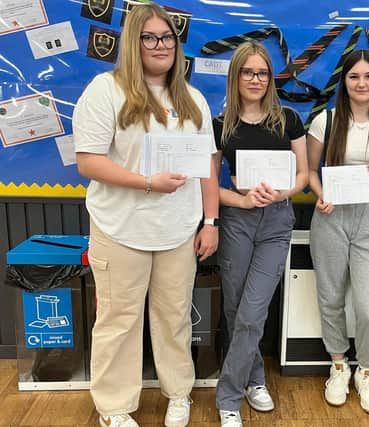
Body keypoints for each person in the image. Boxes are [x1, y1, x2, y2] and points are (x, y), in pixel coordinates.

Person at [72, 4, 219, 427]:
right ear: (132, 43)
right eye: (150, 37)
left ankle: (178, 393)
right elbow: (88, 162)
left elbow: (208, 164)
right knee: (118, 321)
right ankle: (114, 407)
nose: (161, 45)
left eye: (168, 37)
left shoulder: (191, 98)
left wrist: (210, 221)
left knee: (175, 317)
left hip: (177, 231)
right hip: (120, 229)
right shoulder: (105, 90)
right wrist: (148, 182)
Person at [212, 41, 308, 427]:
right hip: (237, 219)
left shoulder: (288, 119)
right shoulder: (220, 126)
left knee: (253, 312)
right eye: (247, 72)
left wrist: (282, 192)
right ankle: (254, 379)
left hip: (276, 221)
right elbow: (207, 186)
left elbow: (303, 175)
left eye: (262, 73)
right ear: (236, 77)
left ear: (271, 78)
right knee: (236, 309)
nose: (255, 79)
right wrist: (241, 199)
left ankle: (228, 397)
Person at [306, 49, 369, 415]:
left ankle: (367, 370)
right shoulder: (325, 121)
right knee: (330, 297)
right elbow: (310, 172)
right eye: (354, 77)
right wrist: (320, 195)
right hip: (330, 217)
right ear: (344, 81)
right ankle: (338, 366)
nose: (361, 83)